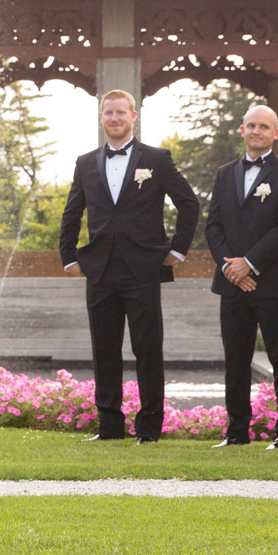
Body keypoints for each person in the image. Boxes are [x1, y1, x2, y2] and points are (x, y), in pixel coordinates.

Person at [58, 88, 198, 443]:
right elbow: (72, 212)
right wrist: (69, 255)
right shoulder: (86, 162)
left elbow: (189, 205)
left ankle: (149, 428)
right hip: (101, 269)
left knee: (147, 349)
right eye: (109, 113)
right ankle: (109, 427)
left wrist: (177, 251)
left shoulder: (157, 158)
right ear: (101, 117)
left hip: (144, 268)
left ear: (133, 116)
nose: (115, 118)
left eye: (121, 112)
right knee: (104, 349)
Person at [203, 104, 278, 449]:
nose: (257, 131)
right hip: (231, 283)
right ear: (242, 130)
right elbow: (213, 225)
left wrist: (249, 263)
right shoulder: (224, 173)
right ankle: (236, 432)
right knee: (235, 360)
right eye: (251, 125)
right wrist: (231, 268)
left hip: (272, 282)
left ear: (275, 133)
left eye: (264, 126)